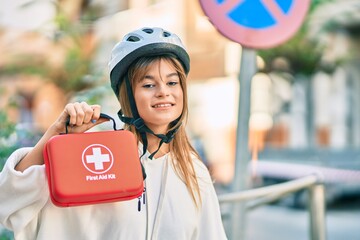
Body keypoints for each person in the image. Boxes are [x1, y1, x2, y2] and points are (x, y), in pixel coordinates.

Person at [0, 27, 227, 240]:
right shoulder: (94, 159)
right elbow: (7, 204)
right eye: (148, 85)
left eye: (172, 82)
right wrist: (55, 135)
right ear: (127, 95)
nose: (163, 92)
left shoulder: (194, 173)